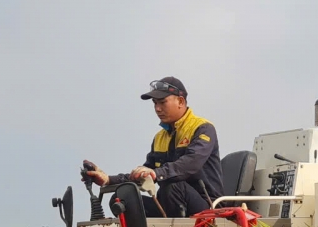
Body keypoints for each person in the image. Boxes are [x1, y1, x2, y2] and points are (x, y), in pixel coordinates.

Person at [83, 77, 223, 217]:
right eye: (155, 103)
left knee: (173, 186)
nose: (157, 108)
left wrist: (156, 173)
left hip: (209, 207)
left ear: (180, 101)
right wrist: (108, 179)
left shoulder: (203, 128)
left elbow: (190, 163)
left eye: (162, 102)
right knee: (120, 199)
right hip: (170, 203)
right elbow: (145, 173)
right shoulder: (159, 137)